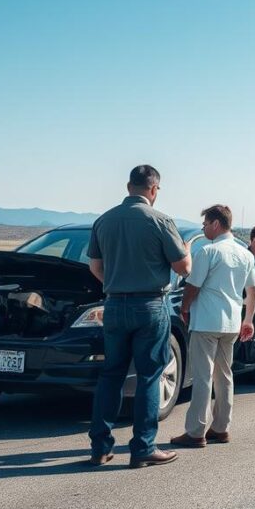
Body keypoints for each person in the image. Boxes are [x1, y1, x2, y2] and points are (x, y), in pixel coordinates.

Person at [86, 165, 192, 469]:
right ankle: (143, 446)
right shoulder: (160, 221)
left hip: (114, 305)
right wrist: (187, 252)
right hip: (149, 305)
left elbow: (95, 267)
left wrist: (116, 283)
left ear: (128, 186)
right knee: (149, 375)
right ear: (154, 189)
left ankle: (100, 447)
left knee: (111, 375)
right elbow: (184, 267)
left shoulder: (103, 221)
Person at [170, 205, 255, 449]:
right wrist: (248, 319)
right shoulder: (245, 254)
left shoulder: (208, 252)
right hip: (231, 324)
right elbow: (253, 291)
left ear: (216, 224)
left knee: (202, 376)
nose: (204, 228)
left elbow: (192, 286)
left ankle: (196, 431)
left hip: (207, 321)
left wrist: (184, 308)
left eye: (206, 224)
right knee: (224, 375)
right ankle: (221, 427)